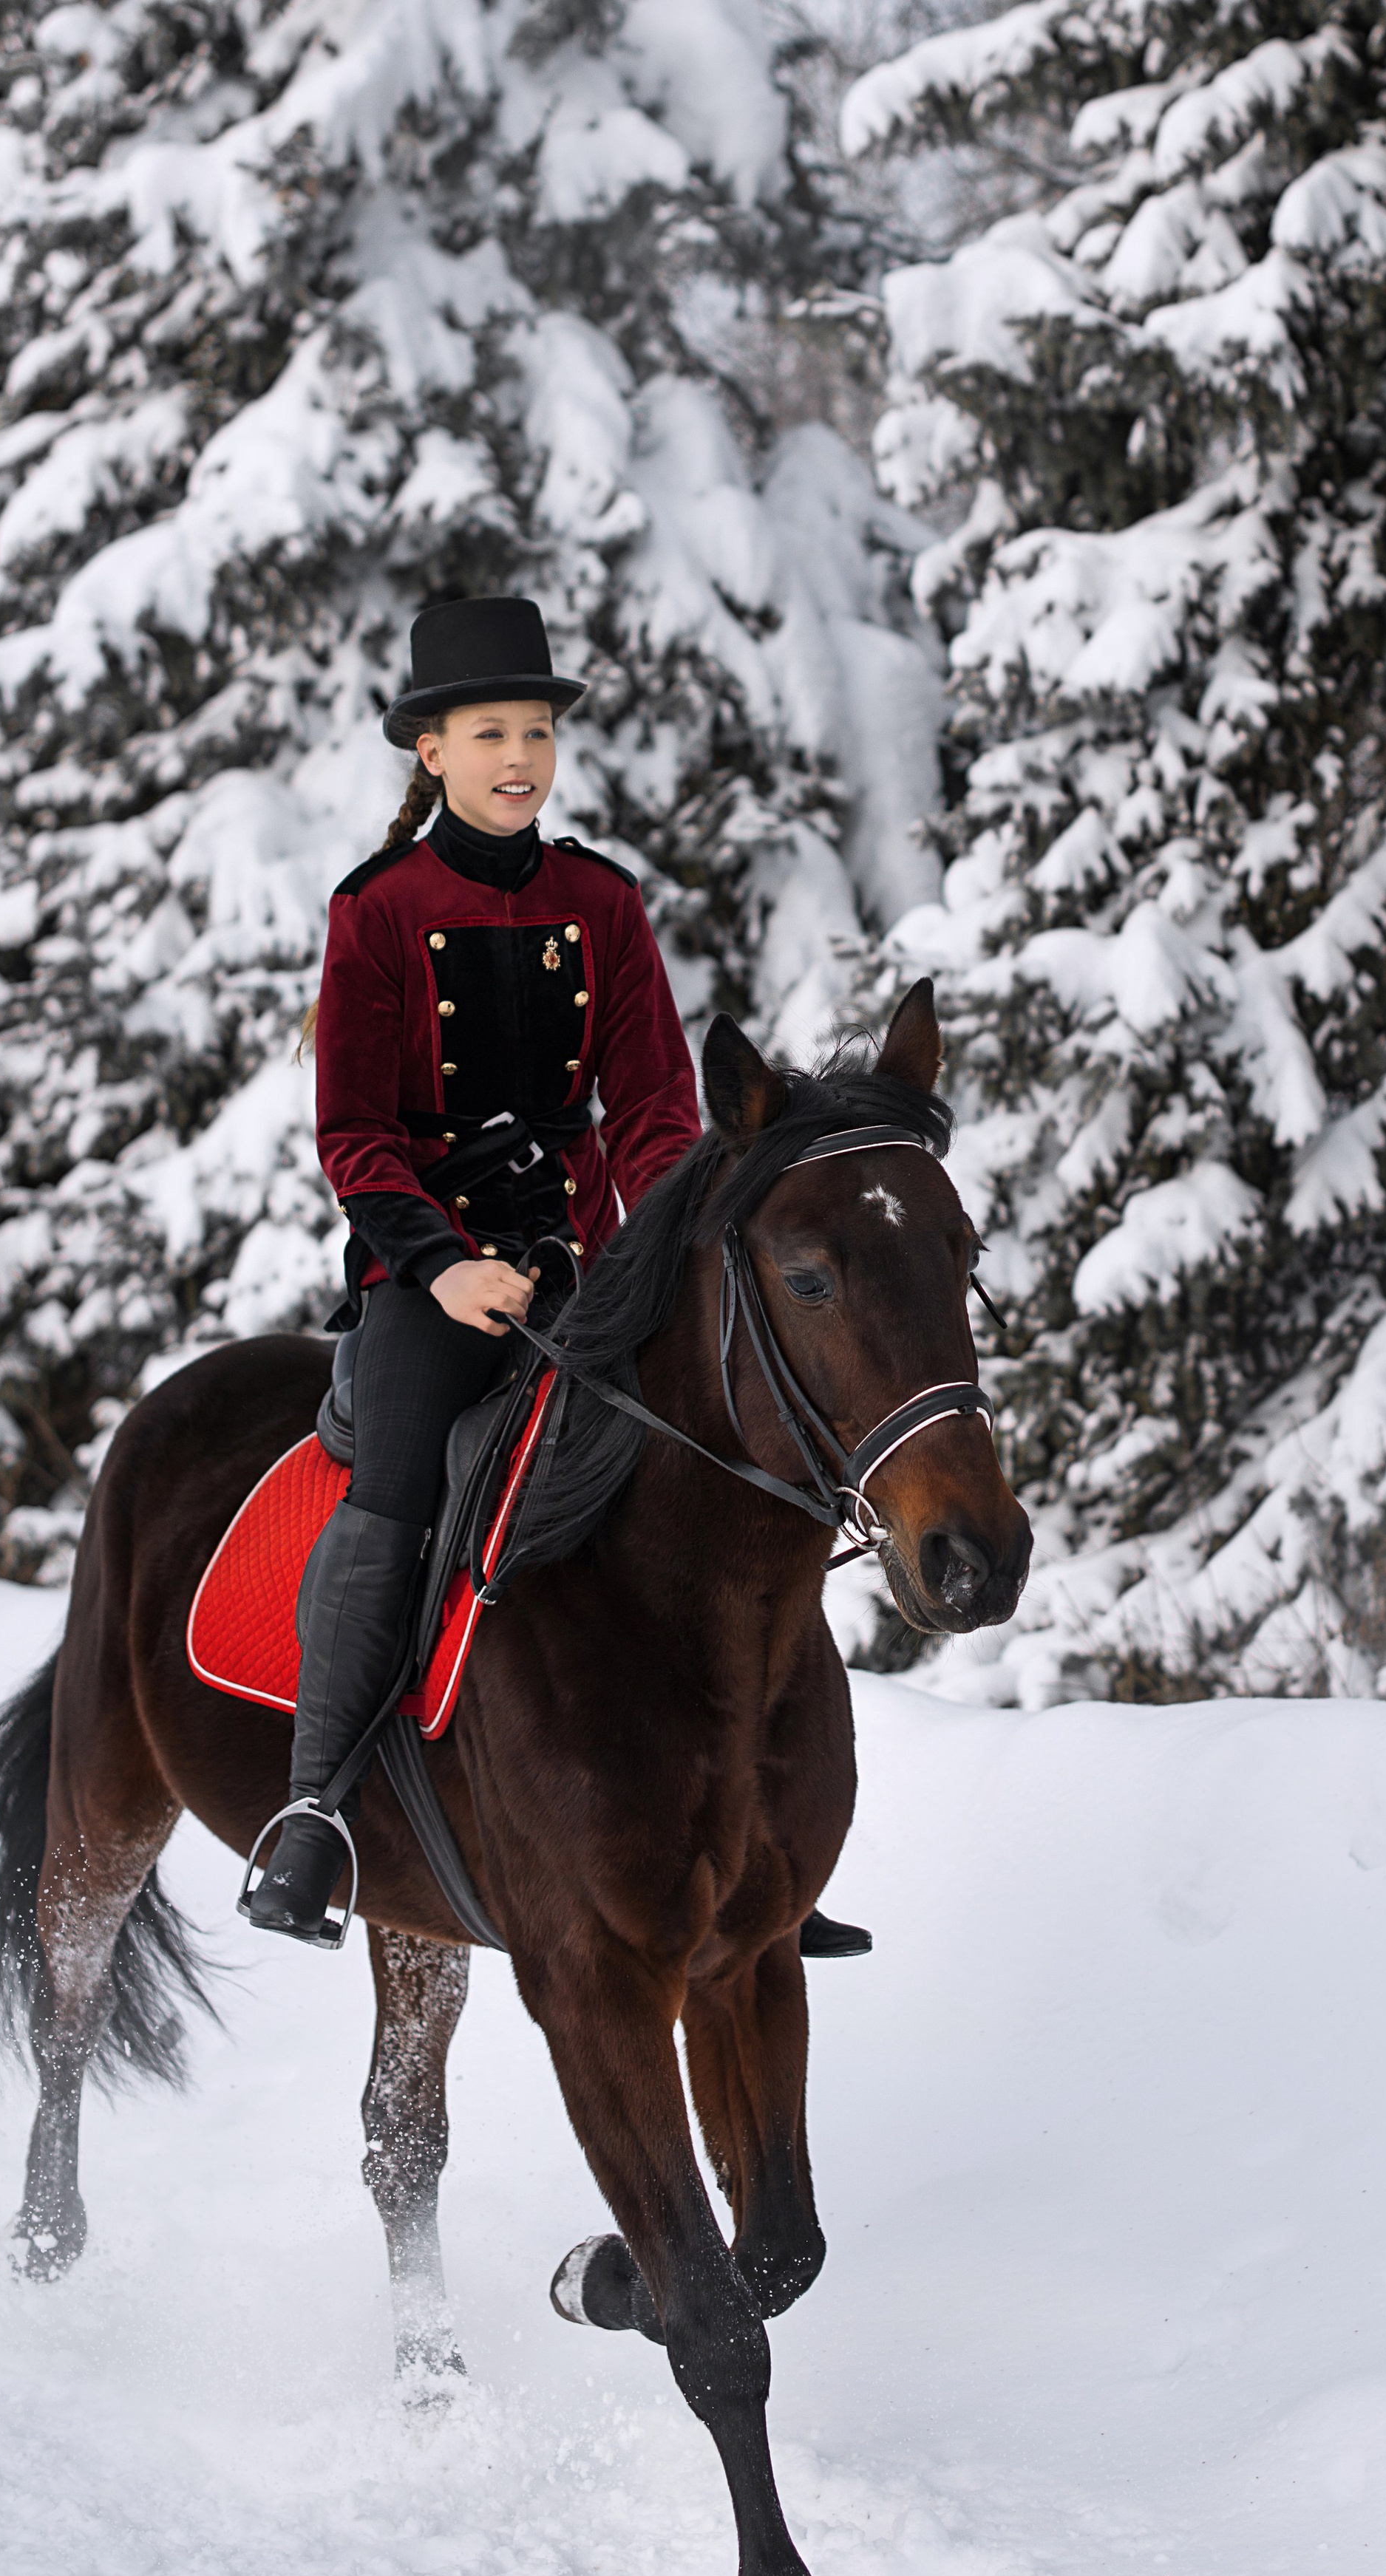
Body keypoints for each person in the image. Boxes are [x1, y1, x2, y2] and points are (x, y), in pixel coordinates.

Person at [245, 595, 872, 1960]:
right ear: (431, 753)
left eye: (535, 730)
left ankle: (761, 1844)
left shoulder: (602, 902)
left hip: (586, 1276)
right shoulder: (379, 911)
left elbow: (651, 1107)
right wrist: (444, 1270)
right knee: (404, 1480)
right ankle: (315, 1813)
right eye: (489, 733)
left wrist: (676, 1238)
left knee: (699, 1483)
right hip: (435, 1283)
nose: (519, 755)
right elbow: (354, 1135)